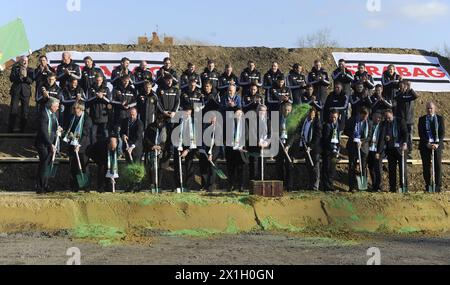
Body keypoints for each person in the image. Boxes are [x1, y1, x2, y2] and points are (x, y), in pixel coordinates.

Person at [34, 98, 63, 194]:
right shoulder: (43, 114)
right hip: (43, 144)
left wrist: (58, 128)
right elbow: (44, 131)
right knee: (44, 164)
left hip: (50, 143)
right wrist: (50, 144)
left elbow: (54, 126)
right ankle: (40, 187)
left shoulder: (53, 114)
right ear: (51, 106)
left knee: (47, 164)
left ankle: (45, 185)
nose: (58, 108)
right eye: (56, 106)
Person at [63, 103, 92, 192]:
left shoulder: (87, 119)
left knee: (84, 166)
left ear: (81, 109)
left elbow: (85, 133)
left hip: (83, 146)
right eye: (74, 108)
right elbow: (68, 128)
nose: (74, 110)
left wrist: (79, 145)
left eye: (76, 108)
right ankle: (74, 186)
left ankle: (86, 187)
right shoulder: (72, 117)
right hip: (72, 145)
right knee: (73, 167)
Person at [379, 109, 408, 193]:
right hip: (391, 149)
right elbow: (383, 135)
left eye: (389, 117)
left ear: (392, 114)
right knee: (391, 169)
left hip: (401, 148)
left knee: (403, 169)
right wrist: (386, 137)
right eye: (386, 118)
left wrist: (405, 143)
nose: (387, 119)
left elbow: (405, 133)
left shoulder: (400, 121)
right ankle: (392, 188)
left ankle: (404, 187)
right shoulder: (384, 124)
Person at [418, 102, 445, 193]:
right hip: (425, 146)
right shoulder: (422, 119)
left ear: (434, 109)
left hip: (437, 145)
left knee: (437, 166)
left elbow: (442, 133)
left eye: (431, 108)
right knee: (426, 166)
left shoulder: (440, 119)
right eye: (428, 108)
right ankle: (428, 185)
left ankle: (437, 187)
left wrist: (437, 143)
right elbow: (421, 133)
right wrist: (427, 143)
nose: (429, 110)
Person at [293, 107, 322, 191]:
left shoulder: (317, 123)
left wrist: (311, 147)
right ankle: (310, 185)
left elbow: (317, 137)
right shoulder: (304, 122)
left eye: (313, 114)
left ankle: (315, 186)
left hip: (314, 149)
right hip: (305, 147)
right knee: (309, 167)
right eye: (309, 113)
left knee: (315, 167)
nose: (311, 115)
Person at [344, 107, 372, 193]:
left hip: (363, 148)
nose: (365, 118)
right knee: (352, 166)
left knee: (363, 167)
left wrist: (361, 141)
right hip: (352, 147)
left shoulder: (369, 123)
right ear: (360, 114)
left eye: (366, 117)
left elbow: (369, 136)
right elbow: (345, 131)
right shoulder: (352, 120)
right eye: (363, 117)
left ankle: (363, 186)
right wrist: (354, 138)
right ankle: (351, 187)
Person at [143, 115, 171, 192]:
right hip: (151, 149)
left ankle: (158, 186)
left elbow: (167, 140)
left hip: (162, 151)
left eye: (161, 122)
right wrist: (152, 146)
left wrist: (160, 147)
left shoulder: (166, 128)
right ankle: (152, 184)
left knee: (160, 168)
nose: (159, 124)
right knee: (151, 168)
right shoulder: (150, 126)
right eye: (158, 121)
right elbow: (146, 138)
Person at [8, 56, 34, 133]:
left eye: (26, 60)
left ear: (28, 61)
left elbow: (31, 81)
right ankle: (10, 129)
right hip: (16, 92)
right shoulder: (15, 68)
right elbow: (11, 78)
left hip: (25, 93)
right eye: (23, 60)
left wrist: (25, 77)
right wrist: (19, 77)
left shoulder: (30, 70)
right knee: (13, 110)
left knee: (24, 111)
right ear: (20, 61)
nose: (24, 62)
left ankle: (22, 130)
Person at [246, 104, 270, 182]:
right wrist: (258, 142)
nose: (262, 112)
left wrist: (266, 142)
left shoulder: (268, 121)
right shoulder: (253, 121)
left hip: (265, 146)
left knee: (263, 164)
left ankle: (262, 181)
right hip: (254, 146)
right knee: (254, 164)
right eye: (260, 110)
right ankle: (253, 182)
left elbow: (270, 133)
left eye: (264, 111)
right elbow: (252, 133)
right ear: (257, 111)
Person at [86, 73, 111, 144]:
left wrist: (102, 97)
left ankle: (104, 150)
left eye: (100, 80)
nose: (98, 82)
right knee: (92, 134)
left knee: (105, 134)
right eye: (97, 80)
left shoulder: (106, 89)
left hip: (104, 117)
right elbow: (88, 101)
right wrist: (96, 97)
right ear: (94, 79)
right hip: (93, 116)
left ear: (102, 80)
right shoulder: (90, 89)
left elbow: (109, 101)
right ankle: (93, 150)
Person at [395, 80, 418, 158]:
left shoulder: (410, 93)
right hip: (400, 119)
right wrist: (402, 92)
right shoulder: (398, 93)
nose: (401, 88)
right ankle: (399, 150)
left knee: (409, 136)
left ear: (406, 86)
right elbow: (397, 97)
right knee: (401, 135)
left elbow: (415, 96)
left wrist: (409, 88)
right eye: (400, 86)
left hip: (409, 120)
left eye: (403, 86)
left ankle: (409, 152)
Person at [321, 109, 341, 192]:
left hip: (335, 150)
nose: (334, 119)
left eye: (335, 117)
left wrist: (338, 149)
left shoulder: (337, 125)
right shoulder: (327, 125)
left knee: (332, 169)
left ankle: (330, 186)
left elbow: (338, 138)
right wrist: (332, 149)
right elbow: (326, 139)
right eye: (332, 117)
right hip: (328, 151)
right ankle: (327, 187)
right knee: (327, 168)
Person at [277, 102, 294, 192]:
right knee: (279, 165)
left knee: (289, 165)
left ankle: (289, 186)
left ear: (290, 111)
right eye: (285, 110)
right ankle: (280, 184)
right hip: (280, 144)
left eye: (288, 110)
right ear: (282, 109)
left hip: (288, 146)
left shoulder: (292, 120)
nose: (286, 112)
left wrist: (288, 145)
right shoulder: (278, 118)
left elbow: (293, 134)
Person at [367, 112, 384, 192]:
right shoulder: (370, 125)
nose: (376, 119)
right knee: (371, 168)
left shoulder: (382, 127)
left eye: (378, 118)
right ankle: (374, 185)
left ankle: (379, 186)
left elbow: (381, 141)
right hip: (370, 149)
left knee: (378, 169)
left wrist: (379, 152)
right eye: (375, 117)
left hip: (377, 151)